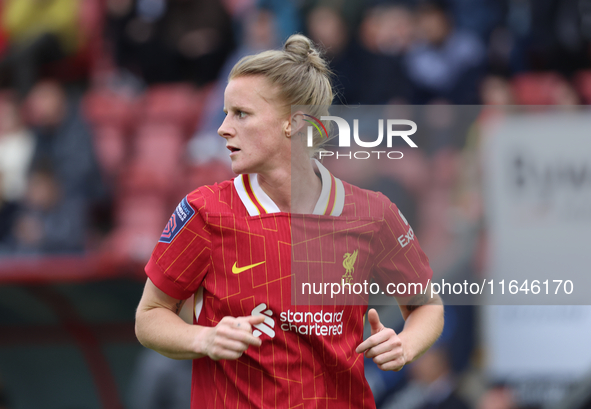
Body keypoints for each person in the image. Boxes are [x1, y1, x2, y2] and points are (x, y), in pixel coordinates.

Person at [135, 34, 444, 408]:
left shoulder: (373, 213)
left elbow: (427, 306)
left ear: (293, 122)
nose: (223, 128)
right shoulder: (205, 211)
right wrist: (204, 339)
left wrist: (404, 344)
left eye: (241, 114)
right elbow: (149, 316)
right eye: (225, 113)